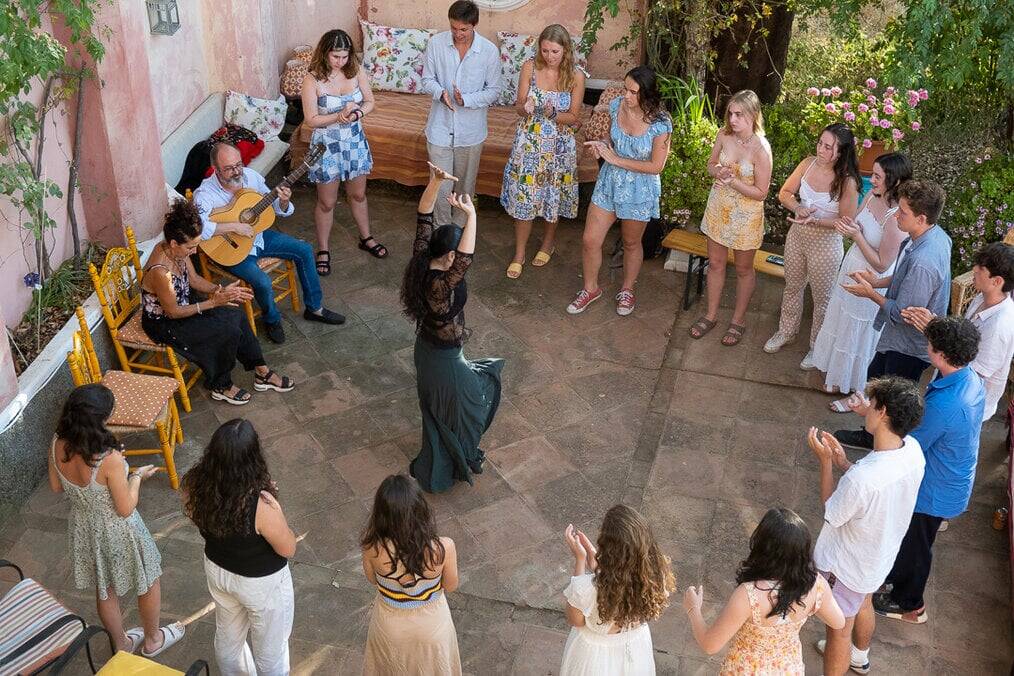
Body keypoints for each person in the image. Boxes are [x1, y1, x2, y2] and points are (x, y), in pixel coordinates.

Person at [48, 384, 183, 658]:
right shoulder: (107, 459)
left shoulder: (57, 442)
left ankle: (121, 644)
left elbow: (56, 486)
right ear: (100, 420)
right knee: (147, 580)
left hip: (84, 528)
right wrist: (135, 478)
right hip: (120, 530)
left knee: (105, 587)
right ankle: (153, 639)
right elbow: (124, 507)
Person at [868, 317, 984, 629]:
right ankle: (895, 578)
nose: (926, 345)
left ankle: (910, 603)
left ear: (940, 354)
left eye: (930, 342)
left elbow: (908, 442)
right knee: (911, 539)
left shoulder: (947, 404)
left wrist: (877, 417)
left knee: (917, 545)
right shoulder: (967, 379)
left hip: (934, 490)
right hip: (948, 478)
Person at [806, 377, 925, 676]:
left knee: (838, 631)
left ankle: (845, 660)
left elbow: (831, 510)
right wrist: (846, 464)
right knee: (864, 603)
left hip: (845, 567)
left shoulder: (863, 480)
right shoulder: (912, 450)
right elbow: (873, 488)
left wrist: (825, 462)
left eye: (871, 405)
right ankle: (860, 658)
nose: (866, 410)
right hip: (878, 557)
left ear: (883, 412)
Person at [400, 162, 504, 492]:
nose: (458, 257)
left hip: (428, 351)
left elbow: (424, 214)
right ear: (447, 256)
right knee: (470, 408)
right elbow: (465, 260)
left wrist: (436, 182)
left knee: (443, 413)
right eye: (454, 252)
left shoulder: (421, 257)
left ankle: (448, 459)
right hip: (444, 361)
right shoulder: (439, 285)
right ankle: (454, 463)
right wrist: (471, 215)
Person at [142, 200, 295, 406]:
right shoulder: (160, 271)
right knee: (225, 331)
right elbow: (173, 313)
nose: (194, 252)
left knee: (237, 316)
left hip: (186, 302)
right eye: (191, 247)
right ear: (174, 244)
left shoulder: (178, 250)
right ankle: (220, 385)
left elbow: (194, 280)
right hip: (165, 322)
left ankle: (262, 372)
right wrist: (213, 303)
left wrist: (221, 291)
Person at [834, 180, 951, 449]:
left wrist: (868, 293)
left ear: (921, 218)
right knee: (876, 379)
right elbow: (902, 278)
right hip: (896, 340)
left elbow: (902, 314)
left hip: (908, 346)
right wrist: (875, 282)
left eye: (902, 213)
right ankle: (870, 435)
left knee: (891, 402)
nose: (896, 216)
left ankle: (883, 446)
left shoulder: (925, 261)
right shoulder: (932, 235)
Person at [194, 142, 345, 344]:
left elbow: (273, 205)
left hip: (258, 237)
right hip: (231, 250)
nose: (236, 172)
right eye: (229, 169)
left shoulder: (250, 177)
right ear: (215, 169)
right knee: (263, 282)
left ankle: (315, 308)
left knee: (305, 250)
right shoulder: (204, 194)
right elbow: (197, 229)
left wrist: (282, 200)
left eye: (238, 165)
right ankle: (272, 319)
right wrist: (233, 227)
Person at [182, 419, 296, 675]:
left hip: (217, 569)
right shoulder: (260, 505)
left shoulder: (195, 483)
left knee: (228, 636)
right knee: (271, 649)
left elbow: (197, 517)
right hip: (260, 584)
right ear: (252, 458)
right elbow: (288, 548)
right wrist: (277, 508)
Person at [683, 508, 845, 674]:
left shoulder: (748, 595)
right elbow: (838, 622)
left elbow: (710, 645)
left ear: (762, 547)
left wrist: (693, 609)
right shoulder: (816, 585)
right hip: (788, 669)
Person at [566, 66, 671, 316]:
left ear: (647, 95)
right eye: (625, 88)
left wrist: (615, 160)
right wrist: (601, 146)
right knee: (590, 240)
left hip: (639, 188)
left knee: (631, 243)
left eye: (633, 92)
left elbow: (656, 166)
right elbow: (610, 140)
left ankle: (627, 289)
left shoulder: (661, 123)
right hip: (610, 183)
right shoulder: (616, 106)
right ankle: (590, 289)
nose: (626, 95)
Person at [815, 152, 911, 407]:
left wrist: (856, 236)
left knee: (859, 332)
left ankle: (857, 391)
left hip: (871, 278)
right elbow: (855, 221)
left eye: (878, 176)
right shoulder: (871, 195)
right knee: (842, 321)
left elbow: (883, 263)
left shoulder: (896, 219)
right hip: (852, 264)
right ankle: (838, 377)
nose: (872, 179)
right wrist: (843, 226)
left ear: (894, 181)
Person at [765, 123, 861, 362]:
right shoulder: (807, 164)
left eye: (828, 147)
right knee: (792, 287)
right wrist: (798, 207)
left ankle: (817, 346)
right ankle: (786, 331)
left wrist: (816, 222)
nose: (821, 149)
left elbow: (846, 222)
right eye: (820, 143)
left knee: (822, 298)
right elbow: (784, 193)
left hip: (826, 245)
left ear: (841, 152)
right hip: (797, 236)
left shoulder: (847, 181)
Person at [500, 24, 586, 279]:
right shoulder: (530, 67)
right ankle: (519, 253)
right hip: (529, 143)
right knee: (524, 196)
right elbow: (518, 106)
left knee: (553, 195)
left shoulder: (576, 76)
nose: (549, 56)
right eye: (545, 50)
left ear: (566, 50)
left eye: (555, 51)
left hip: (559, 147)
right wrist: (524, 107)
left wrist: (552, 114)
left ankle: (548, 243)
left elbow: (573, 117)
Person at [689, 90, 772, 345]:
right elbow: (710, 164)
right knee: (715, 263)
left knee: (744, 269)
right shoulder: (723, 135)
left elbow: (761, 193)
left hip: (746, 217)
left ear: (753, 115)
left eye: (739, 115)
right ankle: (711, 315)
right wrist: (718, 171)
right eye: (731, 113)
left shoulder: (762, 149)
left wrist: (732, 181)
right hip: (718, 209)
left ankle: (738, 320)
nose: (733, 119)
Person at [302, 28, 386, 275]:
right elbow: (311, 119)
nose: (341, 62)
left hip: (354, 142)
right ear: (325, 53)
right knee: (327, 202)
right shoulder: (312, 79)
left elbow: (370, 101)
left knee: (358, 195)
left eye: (345, 56)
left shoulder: (356, 71)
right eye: (335, 56)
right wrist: (337, 118)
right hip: (326, 147)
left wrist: (359, 113)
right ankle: (324, 249)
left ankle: (366, 237)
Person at [901, 241, 1014, 422]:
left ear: (997, 281)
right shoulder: (981, 297)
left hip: (964, 405)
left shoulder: (1000, 326)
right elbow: (962, 339)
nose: (974, 270)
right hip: (949, 390)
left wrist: (936, 333)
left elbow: (972, 375)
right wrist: (936, 324)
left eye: (981, 268)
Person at [361, 474, 461, 675]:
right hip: (433, 626)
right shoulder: (443, 547)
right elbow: (450, 586)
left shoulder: (371, 547)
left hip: (390, 626)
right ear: (421, 509)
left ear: (381, 512)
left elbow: (372, 579)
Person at [560, 505, 676, 674]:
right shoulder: (657, 577)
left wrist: (580, 559)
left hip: (593, 659)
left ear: (608, 549)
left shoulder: (587, 589)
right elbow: (621, 582)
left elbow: (575, 621)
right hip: (635, 650)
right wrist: (599, 568)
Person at [421, 0, 503, 227]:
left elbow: (494, 91)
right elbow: (426, 79)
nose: (458, 34)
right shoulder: (436, 44)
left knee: (466, 187)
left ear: (474, 25)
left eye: (464, 29)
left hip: (471, 132)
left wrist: (465, 100)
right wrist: (441, 93)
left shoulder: (488, 51)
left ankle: (459, 232)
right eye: (454, 28)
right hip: (439, 129)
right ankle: (441, 233)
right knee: (439, 185)